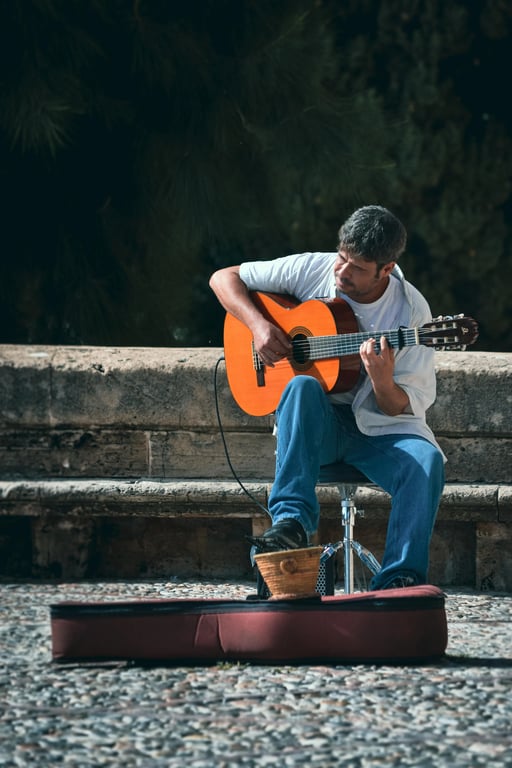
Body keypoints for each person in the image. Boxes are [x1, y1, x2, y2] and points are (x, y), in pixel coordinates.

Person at [209, 205, 445, 590]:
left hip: (379, 431)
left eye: (357, 268)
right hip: (315, 427)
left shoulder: (411, 312)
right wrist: (259, 326)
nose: (341, 272)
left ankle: (398, 579)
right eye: (341, 258)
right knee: (302, 385)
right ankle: (291, 525)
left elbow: (400, 406)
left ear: (386, 269)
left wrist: (383, 380)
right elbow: (223, 278)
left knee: (427, 461)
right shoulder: (313, 268)